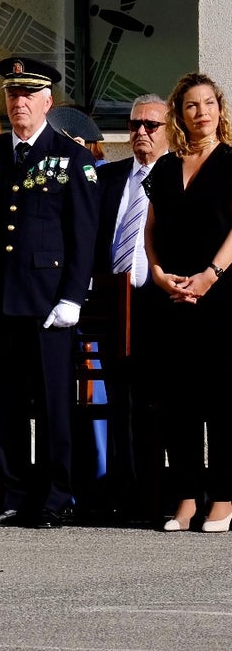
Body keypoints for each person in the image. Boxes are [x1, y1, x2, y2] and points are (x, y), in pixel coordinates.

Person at [0, 57, 100, 529]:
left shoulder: (72, 157)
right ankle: (15, 493)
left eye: (28, 94)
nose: (19, 102)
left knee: (53, 403)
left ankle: (57, 495)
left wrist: (72, 298)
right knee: (5, 403)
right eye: (11, 94)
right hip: (1, 299)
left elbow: (83, 236)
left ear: (47, 101)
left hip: (47, 302)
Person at [145, 73, 232, 533]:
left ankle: (222, 497)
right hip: (173, 296)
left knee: (220, 401)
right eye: (191, 106)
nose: (201, 112)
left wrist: (211, 276)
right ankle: (184, 497)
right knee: (178, 401)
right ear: (179, 114)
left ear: (220, 109)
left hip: (220, 297)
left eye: (208, 104)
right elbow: (151, 231)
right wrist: (158, 274)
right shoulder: (164, 167)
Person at [91, 94, 171, 523]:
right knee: (118, 399)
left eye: (151, 125)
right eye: (135, 123)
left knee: (153, 401)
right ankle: (119, 492)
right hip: (112, 302)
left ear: (168, 128)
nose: (141, 132)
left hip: (157, 303)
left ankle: (152, 494)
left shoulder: (176, 176)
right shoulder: (111, 176)